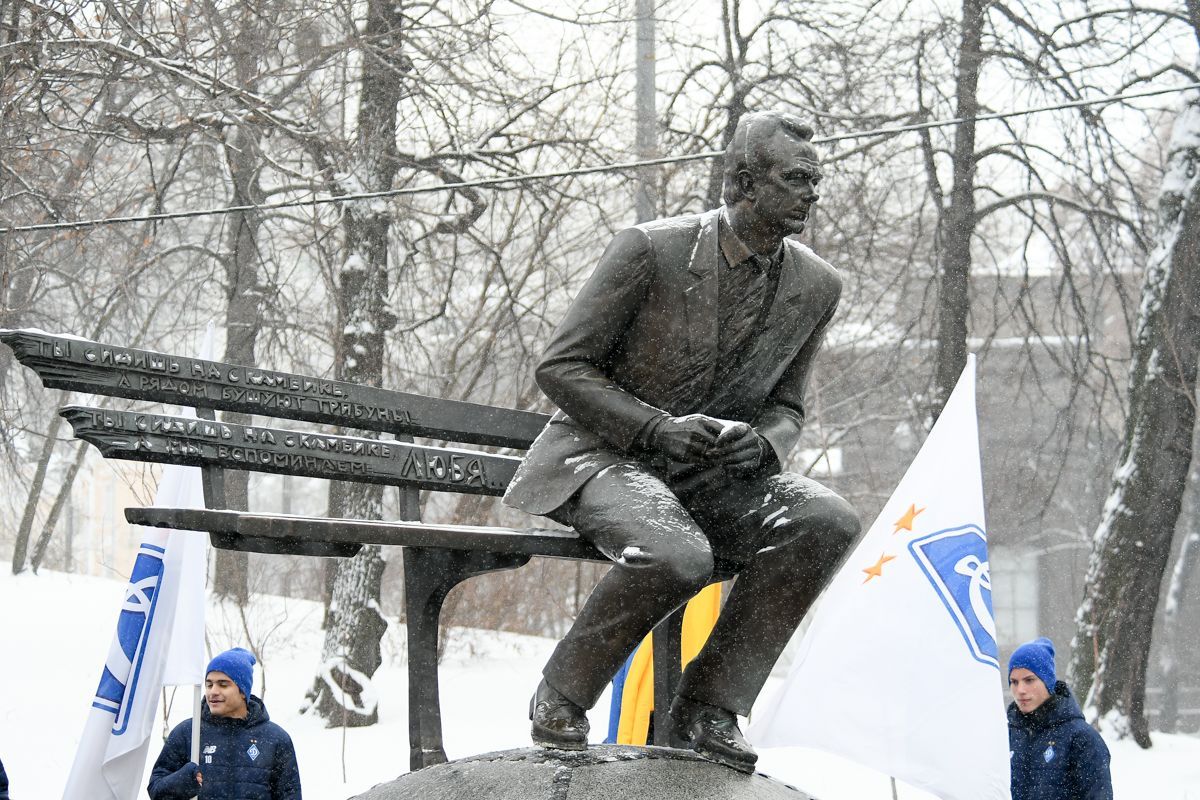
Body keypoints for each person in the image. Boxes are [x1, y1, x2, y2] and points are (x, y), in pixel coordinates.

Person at [505, 110, 860, 773]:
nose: (812, 192)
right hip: (602, 455)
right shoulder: (650, 249)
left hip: (707, 475)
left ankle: (708, 706)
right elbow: (560, 367)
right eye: (796, 178)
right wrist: (655, 428)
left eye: (817, 179)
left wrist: (763, 445)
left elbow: (787, 405)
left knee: (825, 521)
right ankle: (563, 691)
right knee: (678, 552)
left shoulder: (817, 285)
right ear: (744, 183)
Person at [148, 648, 301, 799]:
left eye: (223, 684)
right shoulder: (188, 733)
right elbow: (155, 790)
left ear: (242, 691)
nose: (213, 691)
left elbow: (290, 795)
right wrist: (183, 781)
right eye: (209, 684)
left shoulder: (275, 738)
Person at [1008, 637, 1112, 800]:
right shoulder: (1005, 735)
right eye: (1014, 682)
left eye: (1029, 680)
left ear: (1047, 681)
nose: (1020, 689)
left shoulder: (1081, 738)